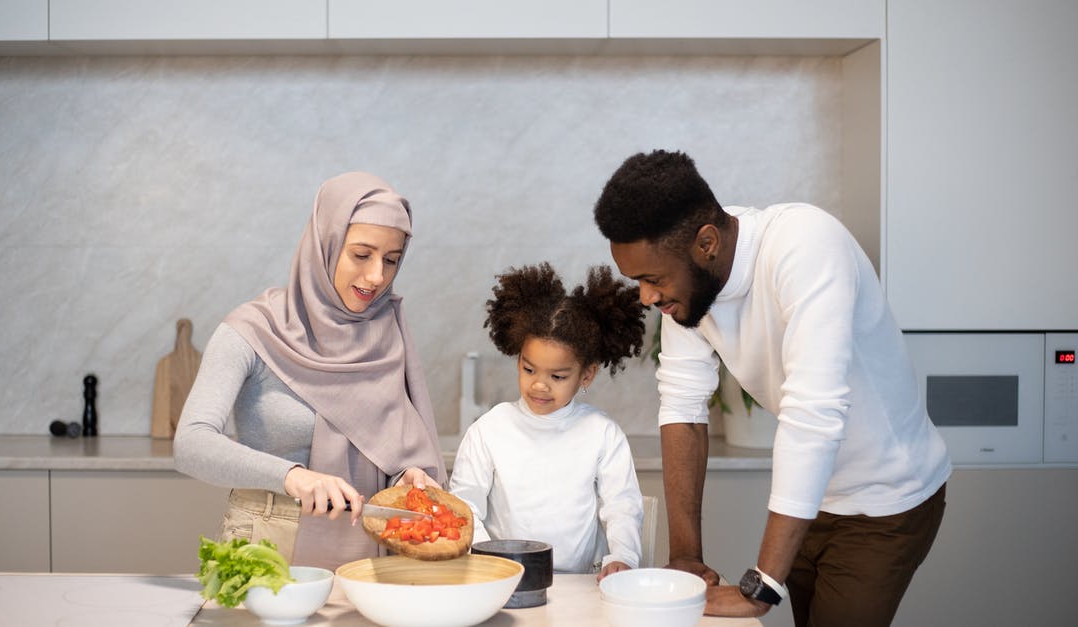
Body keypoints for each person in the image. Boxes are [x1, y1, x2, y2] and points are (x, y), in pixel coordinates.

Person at [592, 149, 951, 626]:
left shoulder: (805, 247)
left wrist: (762, 584)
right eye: (637, 280)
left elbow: (813, 417)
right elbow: (682, 402)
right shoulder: (689, 283)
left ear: (706, 244)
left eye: (652, 279)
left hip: (885, 500)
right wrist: (686, 561)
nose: (646, 296)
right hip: (814, 496)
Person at [174, 172, 446, 571]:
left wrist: (405, 479)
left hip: (372, 551)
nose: (376, 276)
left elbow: (387, 444)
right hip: (268, 540)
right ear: (324, 244)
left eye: (391, 260)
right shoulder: (253, 329)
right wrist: (293, 477)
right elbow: (191, 444)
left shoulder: (388, 332)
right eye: (361, 254)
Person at [449, 262, 647, 581]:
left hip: (579, 582)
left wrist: (623, 555)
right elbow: (463, 506)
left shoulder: (601, 433)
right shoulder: (489, 430)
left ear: (587, 374)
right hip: (502, 579)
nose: (539, 385)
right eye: (529, 370)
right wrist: (489, 561)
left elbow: (622, 505)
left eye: (557, 376)